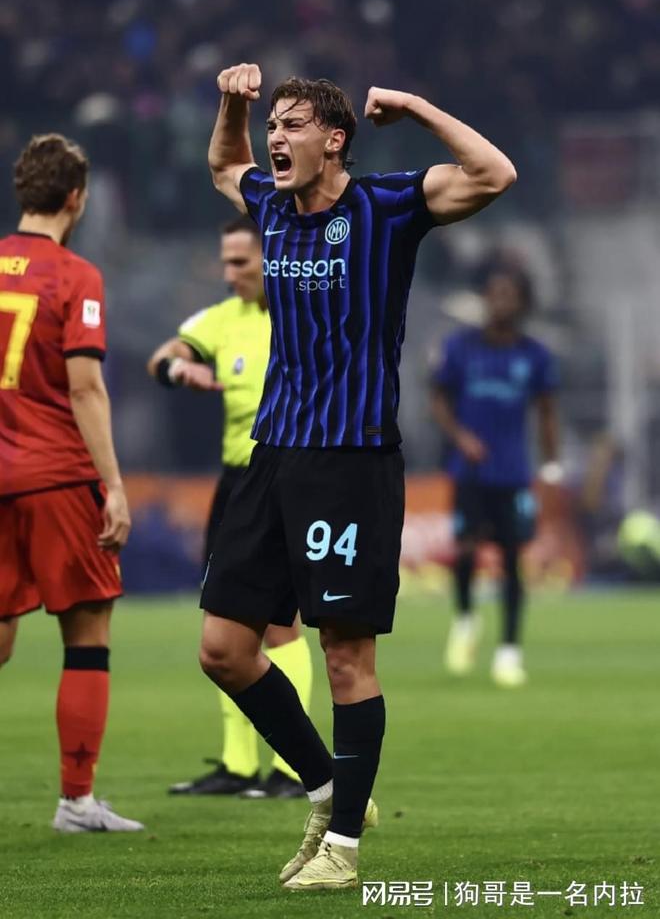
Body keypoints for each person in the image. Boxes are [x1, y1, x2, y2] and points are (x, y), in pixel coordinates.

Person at [199, 62, 516, 891]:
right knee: (224, 650)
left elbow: (495, 173)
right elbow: (223, 163)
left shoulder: (387, 206)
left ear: (335, 140)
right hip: (273, 455)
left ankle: (342, 850)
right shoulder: (269, 205)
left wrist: (413, 105)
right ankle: (331, 789)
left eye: (292, 124)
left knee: (344, 657)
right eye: (272, 125)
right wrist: (232, 104)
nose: (275, 138)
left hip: (351, 460)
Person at [0, 133, 142, 833]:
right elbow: (85, 387)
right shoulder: (75, 276)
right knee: (87, 631)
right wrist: (113, 485)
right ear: (77, 199)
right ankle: (76, 801)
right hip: (56, 475)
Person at [147, 215, 312, 799]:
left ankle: (291, 768)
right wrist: (179, 369)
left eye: (240, 262)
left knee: (281, 626)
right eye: (225, 261)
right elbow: (162, 356)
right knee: (225, 623)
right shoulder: (220, 320)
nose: (229, 273)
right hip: (236, 484)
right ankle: (238, 765)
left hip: (290, 480)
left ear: (272, 258)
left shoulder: (305, 313)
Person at [430, 259, 560, 687]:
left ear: (522, 302)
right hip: (470, 471)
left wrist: (551, 466)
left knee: (511, 560)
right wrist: (460, 437)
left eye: (510, 295)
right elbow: (438, 399)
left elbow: (546, 412)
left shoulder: (534, 355)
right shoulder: (460, 348)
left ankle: (509, 652)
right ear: (484, 298)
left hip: (513, 472)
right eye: (495, 293)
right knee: (466, 551)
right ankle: (466, 619)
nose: (501, 302)